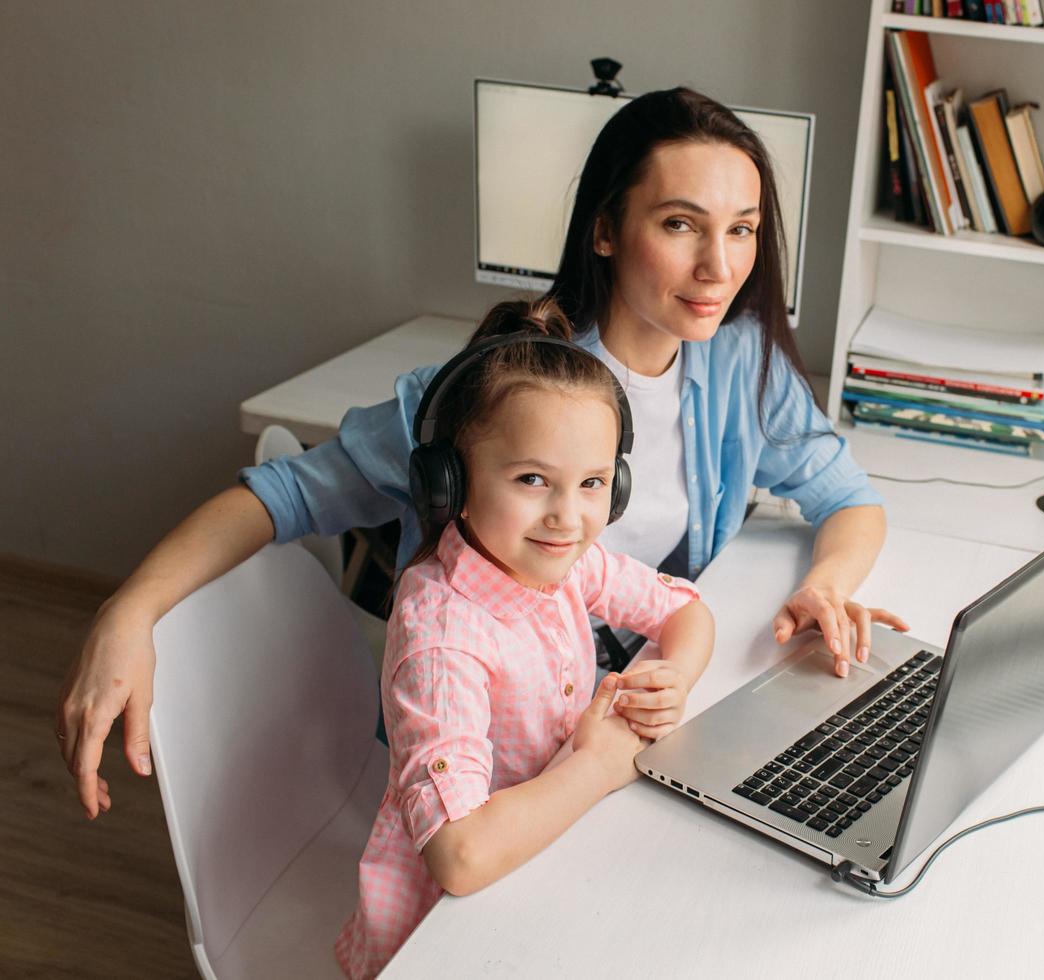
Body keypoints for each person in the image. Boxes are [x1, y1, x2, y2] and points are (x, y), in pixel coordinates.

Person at [56, 86, 906, 820]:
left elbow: (847, 496)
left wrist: (824, 588)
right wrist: (126, 612)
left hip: (634, 714)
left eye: (744, 229)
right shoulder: (495, 390)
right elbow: (280, 497)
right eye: (681, 224)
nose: (719, 266)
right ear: (606, 230)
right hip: (489, 764)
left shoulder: (738, 361)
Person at [334, 299, 712, 978]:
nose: (568, 516)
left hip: (544, 852)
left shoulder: (559, 561)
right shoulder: (444, 640)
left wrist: (674, 678)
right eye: (532, 479)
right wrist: (596, 765)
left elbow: (686, 613)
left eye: (593, 483)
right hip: (441, 935)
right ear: (452, 486)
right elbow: (460, 856)